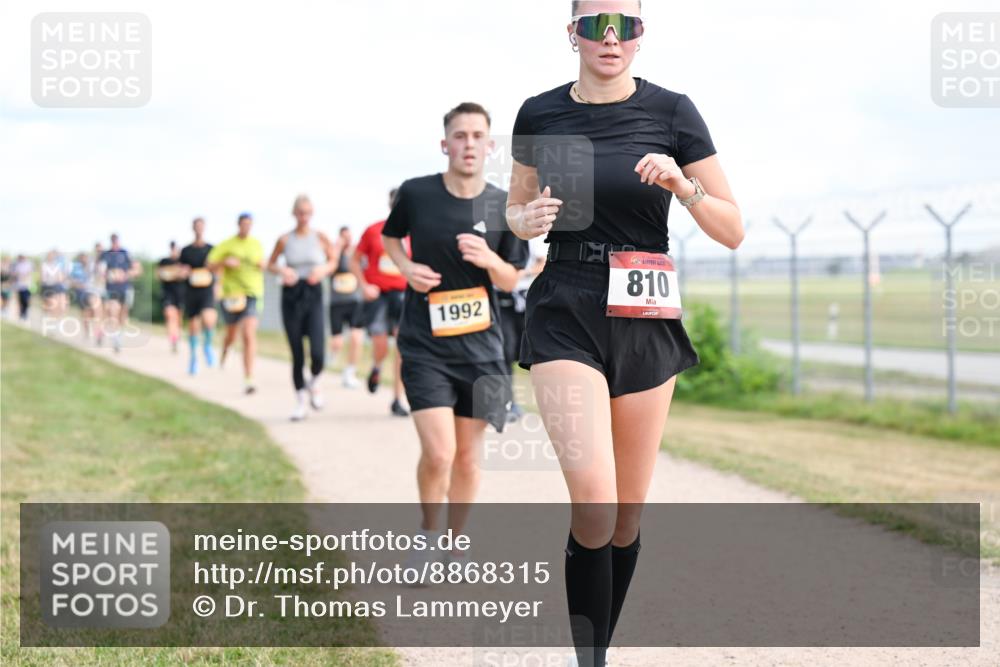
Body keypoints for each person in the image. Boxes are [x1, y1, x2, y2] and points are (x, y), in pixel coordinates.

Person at [506, 3, 743, 665]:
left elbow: (732, 229)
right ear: (572, 34)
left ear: (641, 36)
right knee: (595, 501)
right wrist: (528, 219)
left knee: (626, 514)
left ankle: (595, 649)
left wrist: (683, 186)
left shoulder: (673, 111)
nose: (609, 38)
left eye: (625, 25)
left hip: (644, 311)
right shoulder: (540, 112)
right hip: (565, 304)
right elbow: (515, 209)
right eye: (594, 24)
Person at [382, 101, 528, 569]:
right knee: (440, 453)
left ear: (490, 146)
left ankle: (454, 542)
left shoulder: (503, 205)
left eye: (478, 136)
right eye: (460, 136)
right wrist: (406, 268)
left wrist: (489, 260)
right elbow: (390, 237)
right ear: (445, 144)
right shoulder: (416, 193)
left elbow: (511, 278)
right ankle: (427, 536)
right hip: (424, 345)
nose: (469, 144)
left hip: (482, 349)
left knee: (467, 457)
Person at [266, 195, 338, 420]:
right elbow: (270, 264)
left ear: (312, 213)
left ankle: (314, 382)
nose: (303, 217)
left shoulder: (320, 237)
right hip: (291, 294)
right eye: (300, 213)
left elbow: (333, 261)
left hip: (313, 293)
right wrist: (283, 271)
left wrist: (323, 270)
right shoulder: (285, 239)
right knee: (297, 353)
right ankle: (300, 403)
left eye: (307, 213)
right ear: (294, 213)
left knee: (318, 352)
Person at [352, 189, 411, 417]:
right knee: (381, 345)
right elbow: (354, 260)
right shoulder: (374, 230)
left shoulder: (412, 233)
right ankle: (376, 367)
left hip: (403, 295)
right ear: (390, 204)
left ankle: (397, 399)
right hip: (378, 296)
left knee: (402, 348)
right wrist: (363, 285)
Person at [207, 212, 265, 395]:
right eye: (244, 224)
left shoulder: (256, 244)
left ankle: (249, 378)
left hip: (252, 293)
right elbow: (209, 265)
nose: (246, 227)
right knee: (231, 334)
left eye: (249, 224)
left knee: (248, 333)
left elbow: (263, 263)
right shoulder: (227, 244)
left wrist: (263, 265)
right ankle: (226, 349)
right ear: (238, 225)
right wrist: (224, 262)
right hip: (231, 295)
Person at [497, 235, 547, 422]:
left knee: (532, 354)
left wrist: (520, 274)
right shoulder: (498, 232)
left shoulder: (535, 235)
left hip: (527, 301)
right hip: (502, 301)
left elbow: (543, 263)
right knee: (505, 352)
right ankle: (507, 402)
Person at [327, 226, 365, 389]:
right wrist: (337, 248)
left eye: (348, 237)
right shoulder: (333, 255)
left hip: (354, 302)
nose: (346, 240)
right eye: (343, 237)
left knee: (356, 337)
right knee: (337, 342)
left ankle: (350, 371)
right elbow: (329, 268)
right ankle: (332, 355)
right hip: (337, 303)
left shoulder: (356, 255)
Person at [179, 217, 217, 375]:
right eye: (197, 226)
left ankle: (207, 344)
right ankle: (193, 357)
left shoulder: (212, 249)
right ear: (193, 228)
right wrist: (183, 272)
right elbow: (181, 270)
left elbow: (218, 269)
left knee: (208, 319)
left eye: (201, 226)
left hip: (206, 289)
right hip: (191, 290)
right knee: (194, 325)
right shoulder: (186, 251)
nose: (199, 229)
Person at [99, 234, 142, 352]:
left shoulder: (125, 253)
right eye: (112, 241)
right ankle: (116, 339)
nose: (114, 243)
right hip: (111, 289)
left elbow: (137, 269)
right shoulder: (105, 255)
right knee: (113, 311)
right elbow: (100, 271)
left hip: (125, 288)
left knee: (123, 314)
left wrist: (125, 274)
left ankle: (119, 333)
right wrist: (109, 275)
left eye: (116, 241)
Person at [157, 241, 186, 353]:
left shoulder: (183, 262)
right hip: (168, 293)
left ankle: (177, 336)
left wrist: (176, 274)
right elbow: (159, 275)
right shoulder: (164, 261)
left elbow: (185, 274)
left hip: (181, 294)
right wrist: (174, 274)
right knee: (170, 316)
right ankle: (173, 339)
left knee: (178, 318)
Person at [68, 251, 103, 340]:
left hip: (92, 292)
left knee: (96, 309)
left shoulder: (92, 266)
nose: (84, 260)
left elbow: (100, 275)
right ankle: (87, 332)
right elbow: (71, 281)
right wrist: (77, 284)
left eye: (85, 258)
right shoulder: (76, 268)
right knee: (85, 315)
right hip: (81, 293)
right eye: (82, 259)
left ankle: (98, 331)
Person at [39, 249, 69, 319]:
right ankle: (48, 315)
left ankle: (56, 317)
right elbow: (42, 278)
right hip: (47, 286)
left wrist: (60, 278)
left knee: (58, 302)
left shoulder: (57, 265)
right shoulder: (44, 265)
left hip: (55, 285)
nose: (51, 257)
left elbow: (60, 277)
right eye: (50, 256)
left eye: (53, 256)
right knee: (49, 303)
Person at [12, 255, 33, 321]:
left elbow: (29, 273)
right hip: (19, 286)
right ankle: (21, 314)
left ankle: (25, 312)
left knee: (26, 300)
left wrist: (24, 276)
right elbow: (15, 273)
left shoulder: (29, 264)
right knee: (20, 300)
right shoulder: (17, 265)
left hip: (27, 286)